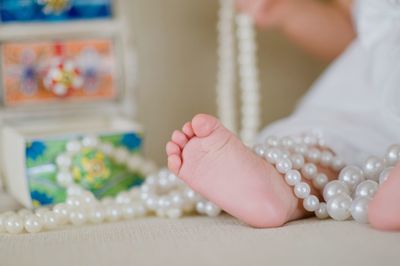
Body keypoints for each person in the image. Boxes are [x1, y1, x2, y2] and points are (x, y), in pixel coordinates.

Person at [165, 0, 400, 230]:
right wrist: (285, 9)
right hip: (367, 89)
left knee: (339, 141)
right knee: (322, 144)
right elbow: (353, 28)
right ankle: (277, 188)